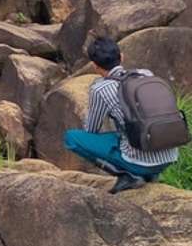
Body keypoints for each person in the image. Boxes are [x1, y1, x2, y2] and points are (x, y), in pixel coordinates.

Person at [64, 36, 179, 194]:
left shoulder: (100, 89)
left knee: (72, 138)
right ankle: (151, 174)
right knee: (125, 132)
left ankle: (129, 175)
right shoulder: (145, 74)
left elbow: (91, 129)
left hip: (139, 160)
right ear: (122, 57)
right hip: (170, 154)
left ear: (95, 66)